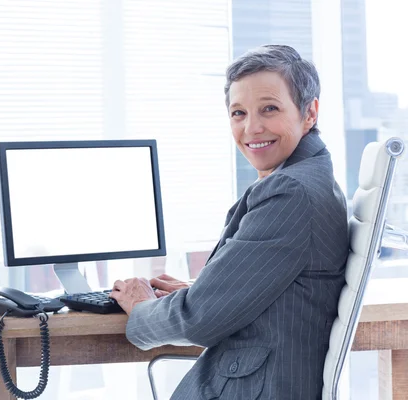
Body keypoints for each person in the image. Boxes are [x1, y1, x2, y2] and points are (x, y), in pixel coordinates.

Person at [110, 45, 349, 399]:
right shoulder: (307, 177)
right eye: (239, 113)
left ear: (309, 112)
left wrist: (144, 308)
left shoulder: (290, 192)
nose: (252, 127)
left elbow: (199, 320)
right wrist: (206, 293)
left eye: (269, 108)